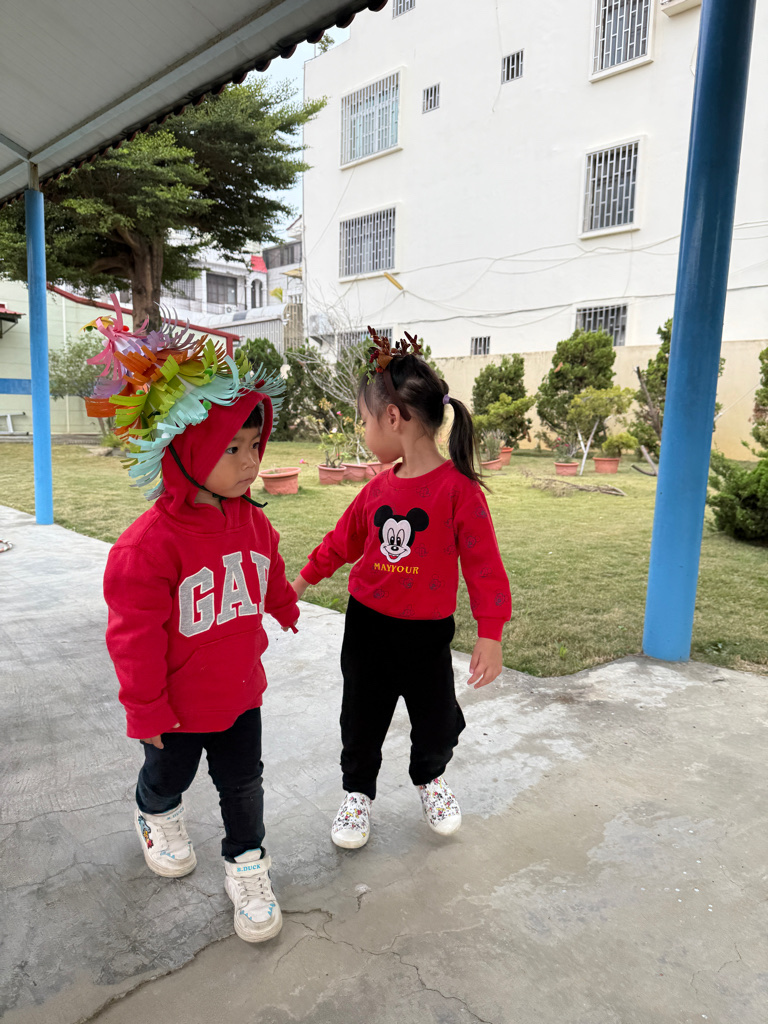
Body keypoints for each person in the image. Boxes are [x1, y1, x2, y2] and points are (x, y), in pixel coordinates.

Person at [86, 300, 298, 943]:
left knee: (244, 785)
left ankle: (247, 862)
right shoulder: (148, 547)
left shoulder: (253, 521)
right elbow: (133, 639)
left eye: (254, 444)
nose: (250, 460)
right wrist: (145, 709)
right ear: (184, 449)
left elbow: (268, 569)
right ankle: (155, 812)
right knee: (169, 775)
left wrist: (283, 605)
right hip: (174, 708)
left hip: (240, 694)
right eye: (231, 447)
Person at [292, 329, 511, 849]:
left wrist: (491, 633)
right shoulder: (375, 490)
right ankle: (356, 794)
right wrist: (299, 582)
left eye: (364, 420)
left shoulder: (459, 492)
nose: (364, 430)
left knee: (436, 722)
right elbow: (341, 543)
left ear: (392, 418)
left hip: (427, 635)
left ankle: (430, 779)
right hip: (367, 626)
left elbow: (484, 566)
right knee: (361, 718)